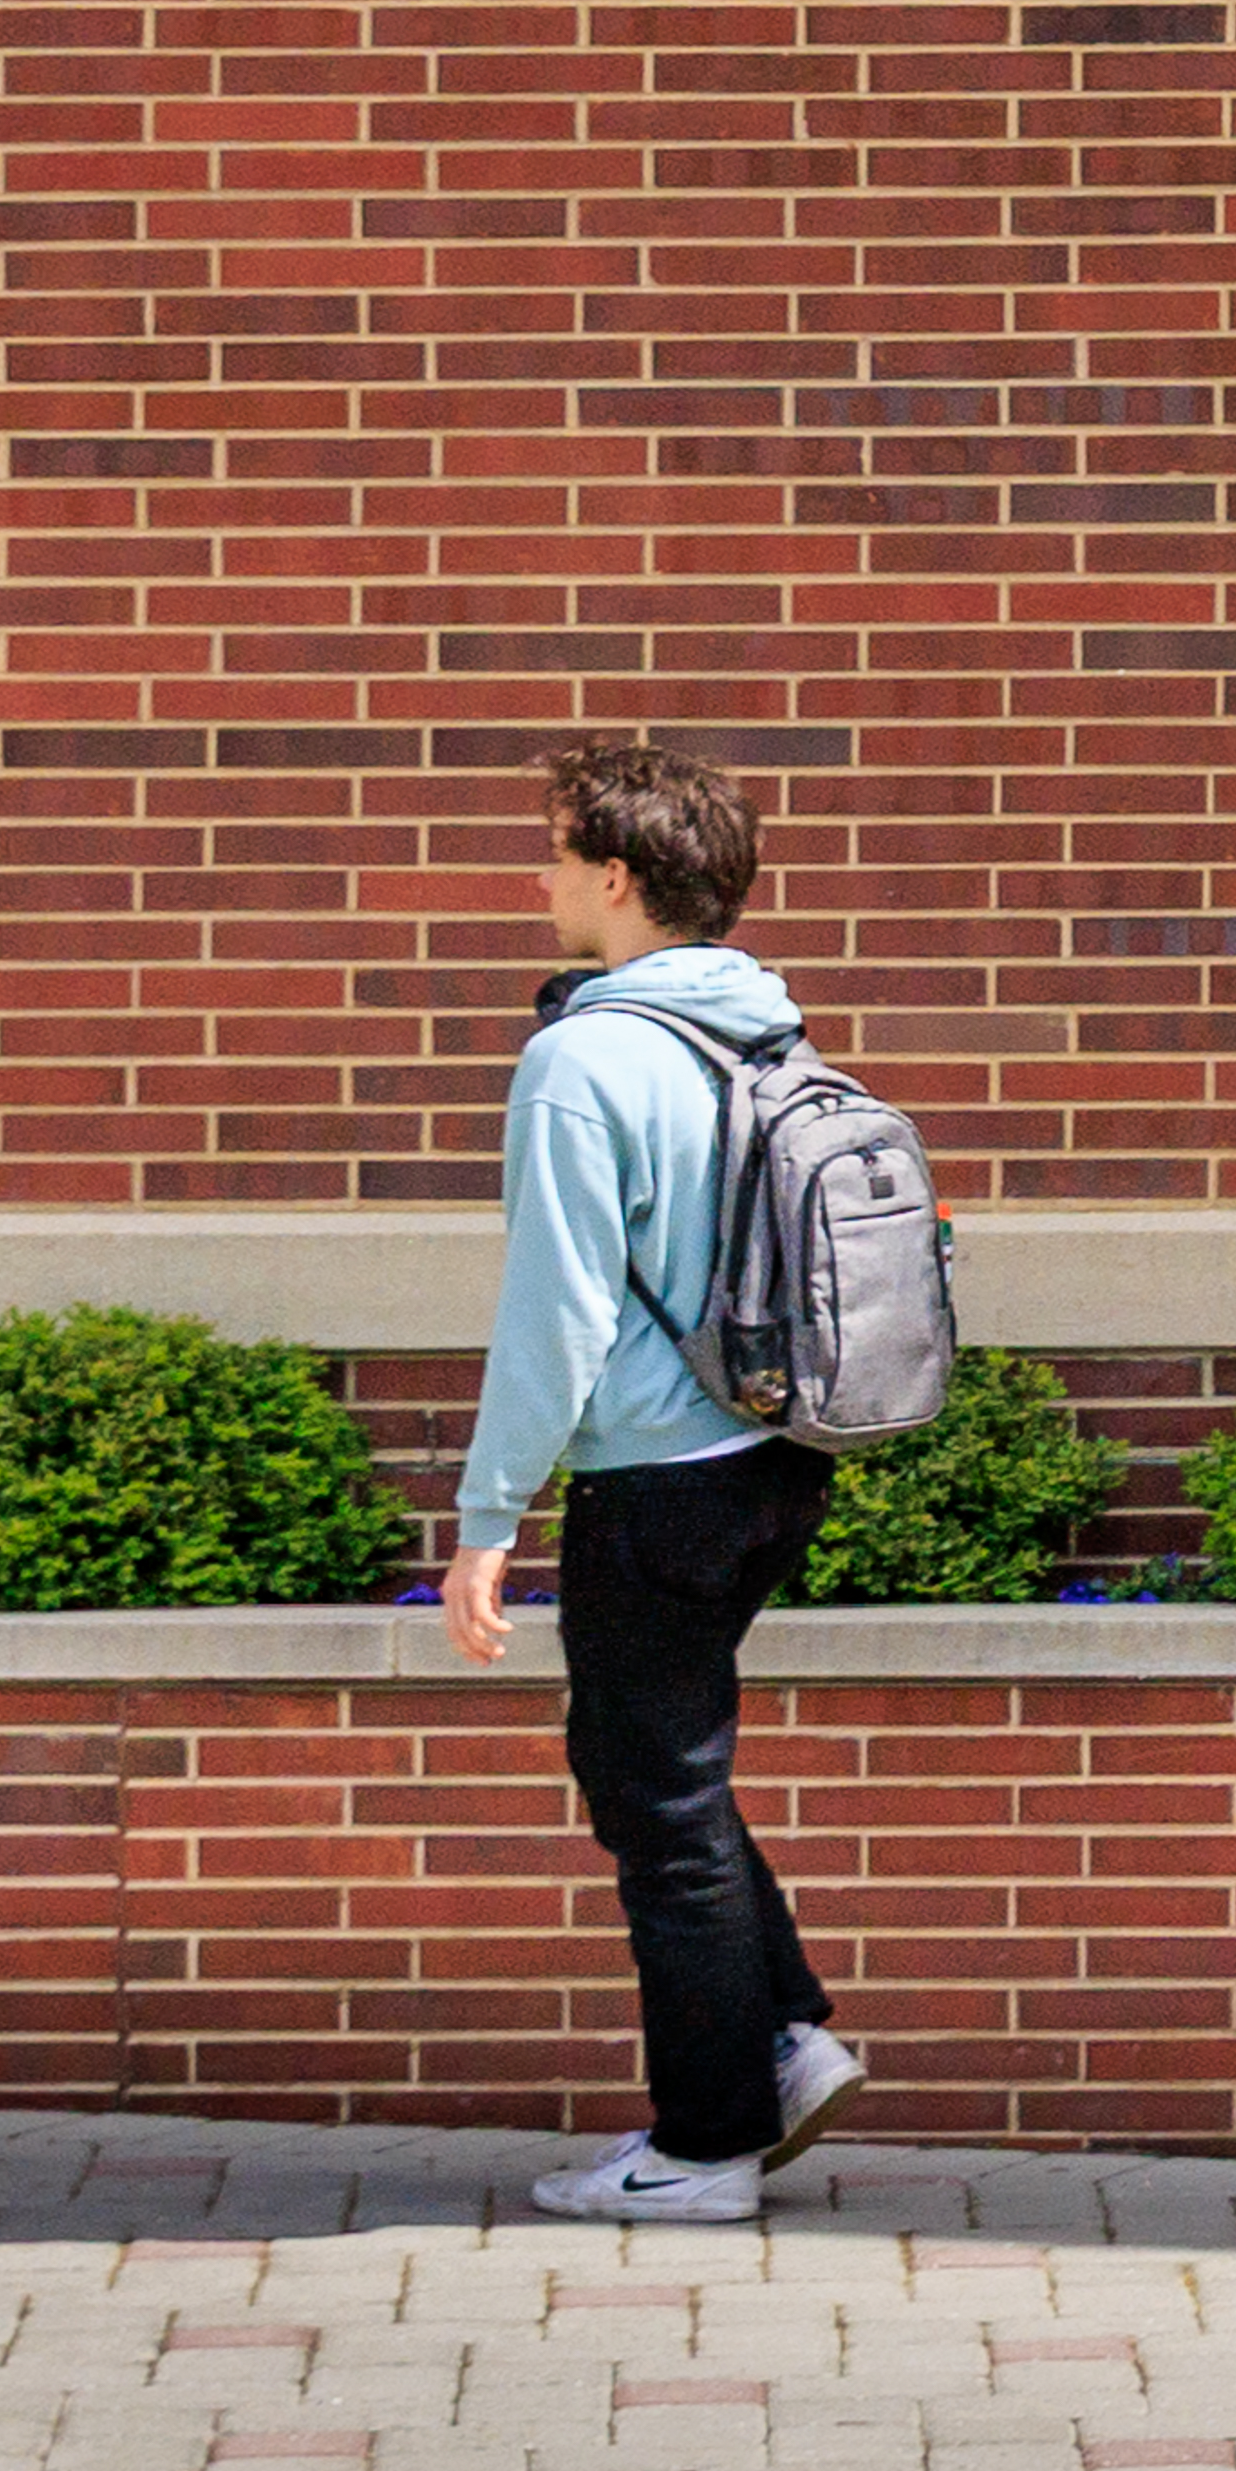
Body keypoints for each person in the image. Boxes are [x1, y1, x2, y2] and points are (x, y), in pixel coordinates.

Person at [449, 734, 870, 2223]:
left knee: (657, 1800)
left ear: (619, 878)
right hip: (774, 1456)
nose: (542, 881)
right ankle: (782, 2037)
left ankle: (703, 2150)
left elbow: (554, 1313)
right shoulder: (766, 1031)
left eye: (559, 856)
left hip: (658, 1477)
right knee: (660, 1772)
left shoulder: (584, 1059)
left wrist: (487, 1519)